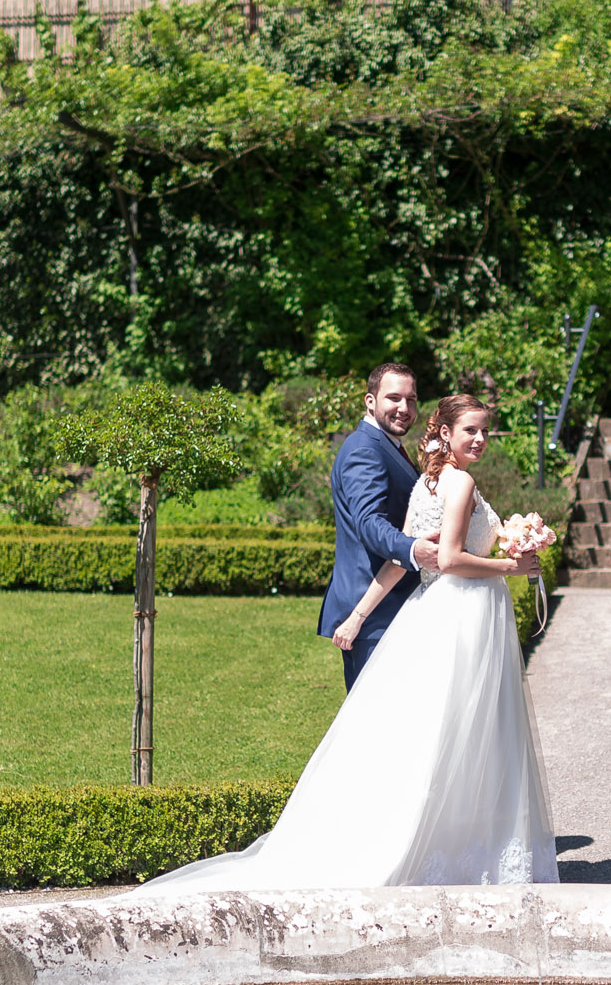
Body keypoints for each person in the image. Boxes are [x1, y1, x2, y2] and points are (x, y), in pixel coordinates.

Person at [130, 392, 555, 893]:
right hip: (463, 615)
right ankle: (454, 849)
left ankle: (438, 845)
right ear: (445, 434)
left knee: (437, 736)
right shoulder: (459, 481)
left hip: (439, 613)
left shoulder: (428, 482)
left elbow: (403, 560)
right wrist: (511, 564)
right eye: (471, 431)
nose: (481, 439)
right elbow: (450, 558)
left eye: (486, 431)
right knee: (464, 733)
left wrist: (356, 616)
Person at [321, 362, 439, 690]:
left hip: (394, 607)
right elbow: (370, 523)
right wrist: (413, 549)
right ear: (370, 401)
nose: (404, 408)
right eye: (394, 398)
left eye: (411, 399)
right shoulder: (364, 449)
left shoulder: (388, 447)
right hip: (373, 614)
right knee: (373, 730)